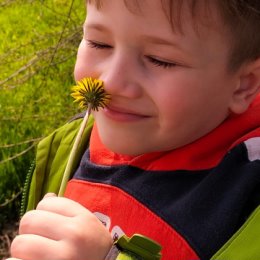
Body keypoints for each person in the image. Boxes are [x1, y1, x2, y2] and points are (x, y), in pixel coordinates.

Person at [9, 0, 260, 259]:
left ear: (243, 84)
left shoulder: (246, 198)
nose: (111, 82)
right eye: (99, 43)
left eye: (159, 60)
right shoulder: (67, 150)